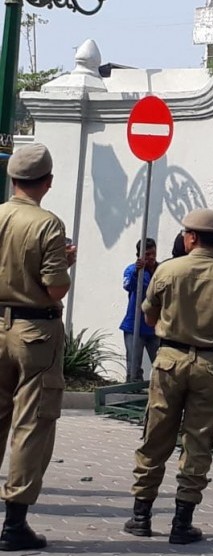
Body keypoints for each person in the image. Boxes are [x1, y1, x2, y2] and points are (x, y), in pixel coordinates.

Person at [124, 208, 213, 545]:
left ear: (191, 237)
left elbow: (149, 319)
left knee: (156, 436)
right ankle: (182, 522)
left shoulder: (167, 270)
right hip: (211, 366)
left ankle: (141, 515)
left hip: (169, 361)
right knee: (198, 441)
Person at [0, 144, 75, 551]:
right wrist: (66, 263)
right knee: (31, 425)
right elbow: (55, 286)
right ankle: (14, 526)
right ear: (46, 182)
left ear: (13, 179)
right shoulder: (48, 225)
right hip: (35, 332)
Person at [120, 238, 160, 383]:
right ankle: (132, 391)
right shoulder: (132, 270)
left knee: (161, 363)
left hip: (155, 326)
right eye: (147, 254)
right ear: (139, 255)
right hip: (134, 325)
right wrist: (137, 272)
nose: (151, 258)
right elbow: (127, 286)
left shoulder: (161, 270)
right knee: (133, 366)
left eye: (153, 254)